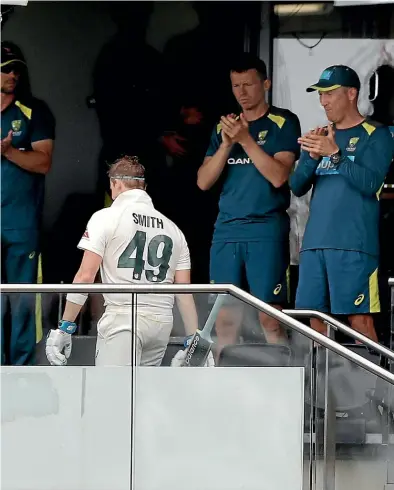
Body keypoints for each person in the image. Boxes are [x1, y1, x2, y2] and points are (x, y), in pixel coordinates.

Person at [45, 156, 200, 367]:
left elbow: (85, 276)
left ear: (115, 183)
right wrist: (193, 339)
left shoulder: (106, 217)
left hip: (123, 318)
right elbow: (184, 292)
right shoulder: (174, 229)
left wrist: (65, 326)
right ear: (144, 186)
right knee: (141, 396)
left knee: (112, 395)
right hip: (161, 323)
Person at [197, 53, 301, 353]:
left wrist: (245, 140)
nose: (241, 92)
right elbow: (203, 181)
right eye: (235, 85)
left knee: (270, 318)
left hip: (266, 229)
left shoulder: (284, 122)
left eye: (248, 84)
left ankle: (283, 387)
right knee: (224, 320)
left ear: (265, 84)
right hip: (227, 230)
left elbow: (279, 176)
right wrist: (228, 143)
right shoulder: (224, 129)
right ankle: (223, 392)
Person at [290, 65, 394, 341]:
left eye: (330, 93)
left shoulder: (378, 134)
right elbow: (296, 186)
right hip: (314, 244)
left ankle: (377, 385)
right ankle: (327, 384)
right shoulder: (321, 136)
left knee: (359, 319)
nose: (323, 101)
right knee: (314, 320)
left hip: (354, 244)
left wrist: (335, 153)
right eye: (320, 94)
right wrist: (312, 156)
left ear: (351, 94)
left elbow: (371, 183)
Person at [1, 41, 55, 365]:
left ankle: (21, 371)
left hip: (21, 224)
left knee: (22, 300)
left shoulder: (34, 110)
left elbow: (44, 161)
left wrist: (8, 151)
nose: (13, 74)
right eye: (6, 69)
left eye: (16, 69)